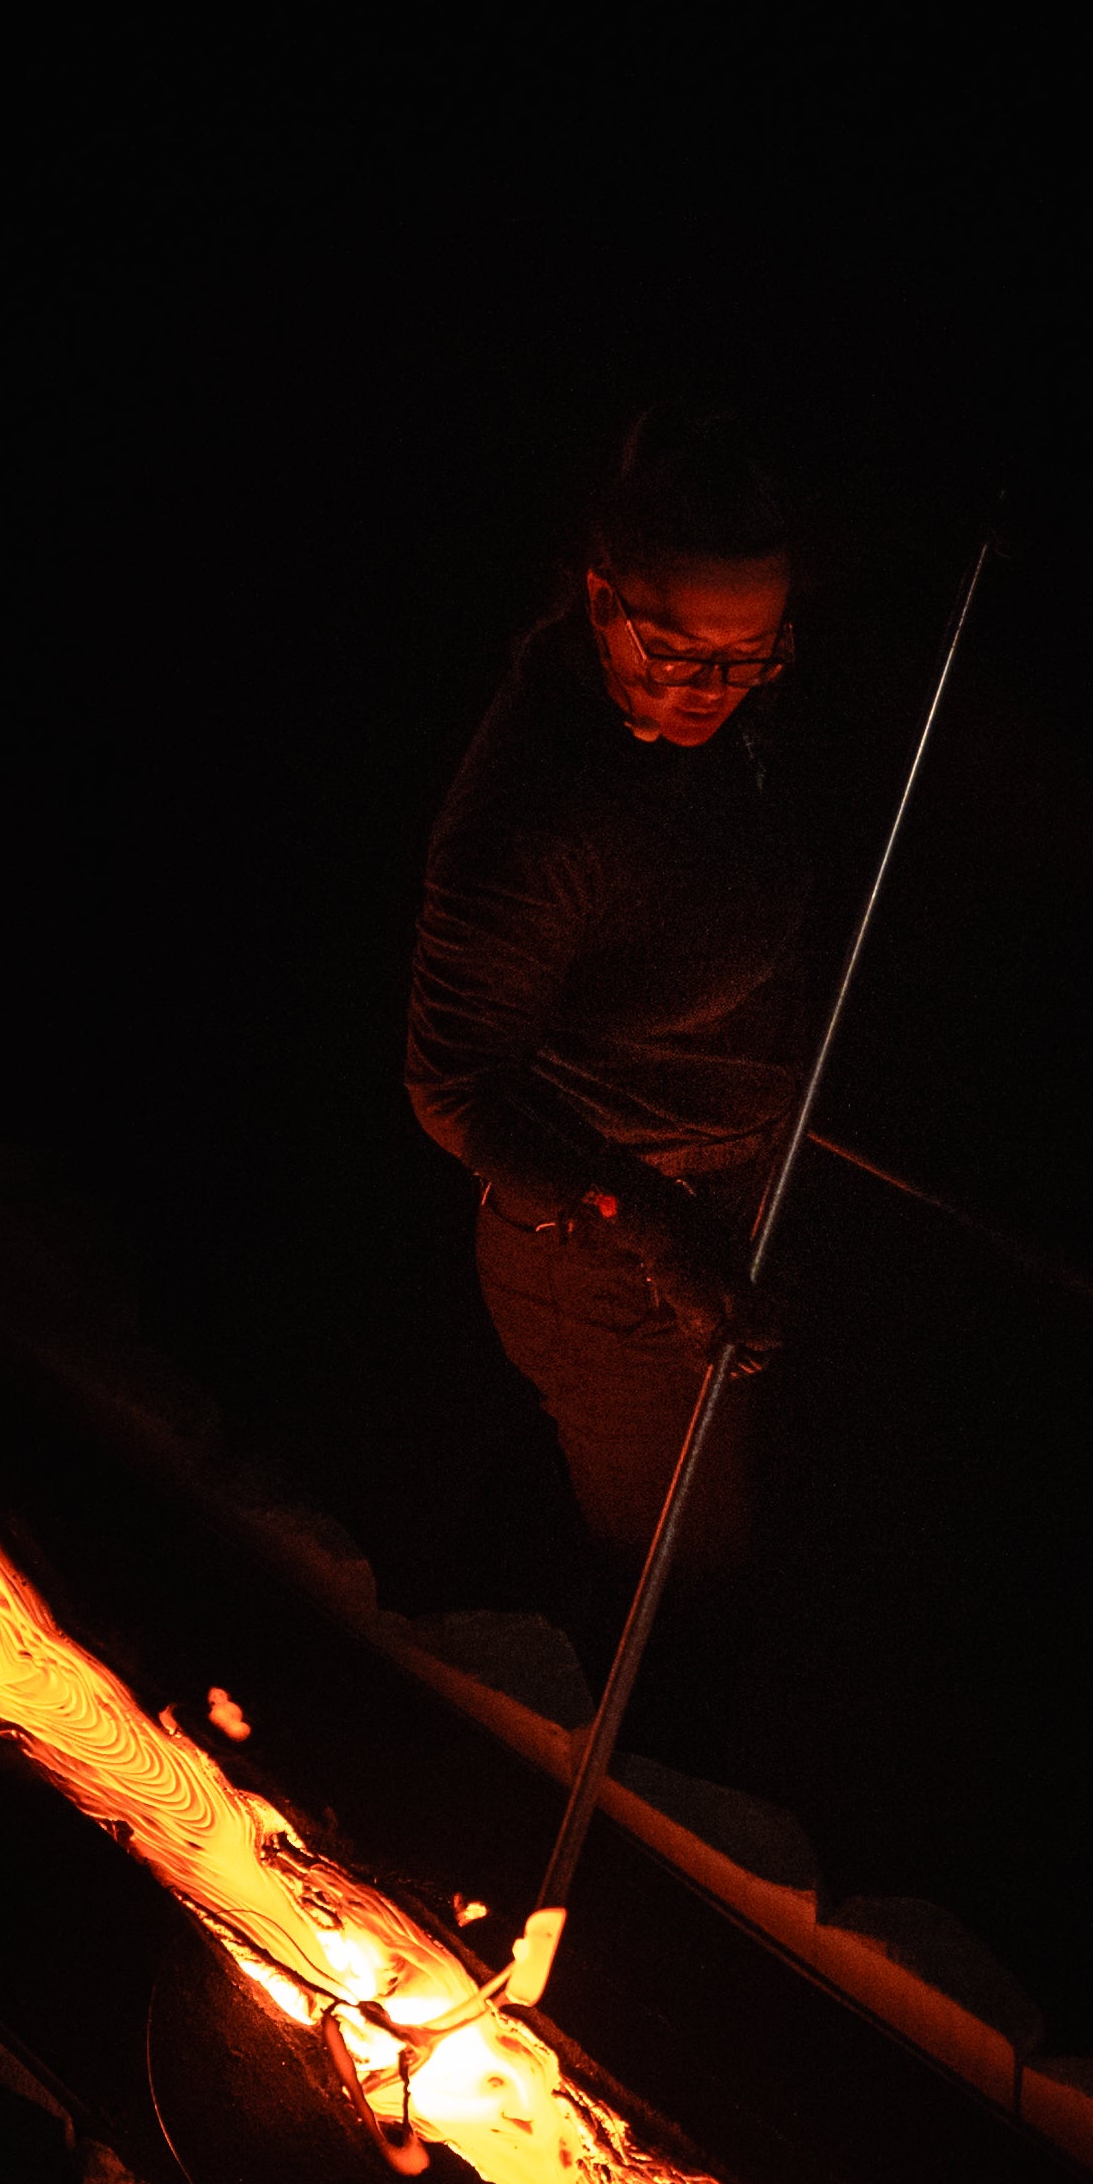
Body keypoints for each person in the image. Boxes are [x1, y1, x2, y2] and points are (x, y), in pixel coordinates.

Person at [404, 405, 817, 1609]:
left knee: (669, 1509)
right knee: (685, 1581)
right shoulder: (534, 824)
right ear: (598, 602)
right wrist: (656, 1223)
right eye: (682, 653)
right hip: (608, 1263)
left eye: (755, 654)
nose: (718, 690)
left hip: (724, 1195)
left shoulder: (711, 724)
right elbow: (452, 1088)